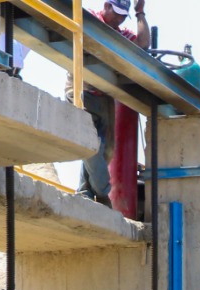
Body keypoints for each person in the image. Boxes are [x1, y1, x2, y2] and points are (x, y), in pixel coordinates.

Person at [73, 0, 150, 211]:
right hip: (81, 87)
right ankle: (101, 191)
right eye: (116, 13)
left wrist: (140, 13)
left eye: (123, 16)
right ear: (106, 6)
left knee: (106, 150)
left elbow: (143, 45)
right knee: (90, 142)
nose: (119, 19)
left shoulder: (119, 33)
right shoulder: (88, 18)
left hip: (104, 96)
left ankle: (84, 191)